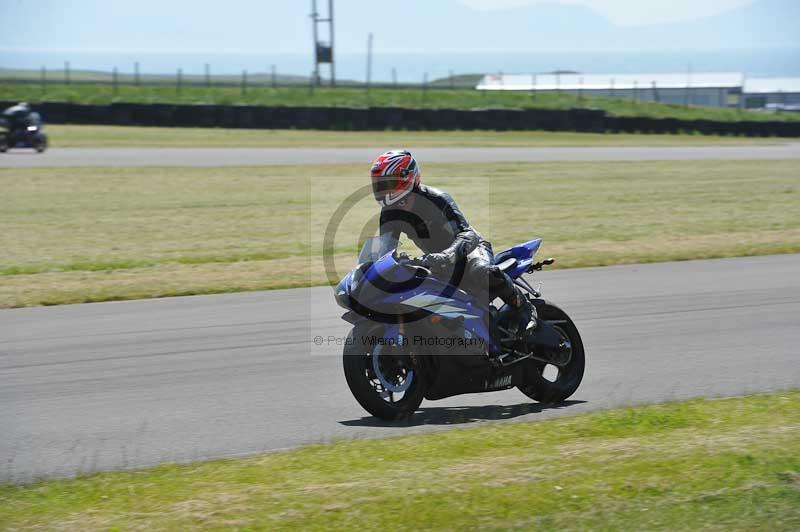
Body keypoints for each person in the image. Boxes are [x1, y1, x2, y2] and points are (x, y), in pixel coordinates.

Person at [371, 149, 535, 338]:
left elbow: (467, 234)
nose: (382, 190)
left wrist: (447, 255)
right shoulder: (390, 213)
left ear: (406, 178)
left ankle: (525, 308)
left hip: (470, 251)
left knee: (482, 270)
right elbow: (385, 250)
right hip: (438, 262)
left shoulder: (437, 199)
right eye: (378, 185)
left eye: (387, 183)